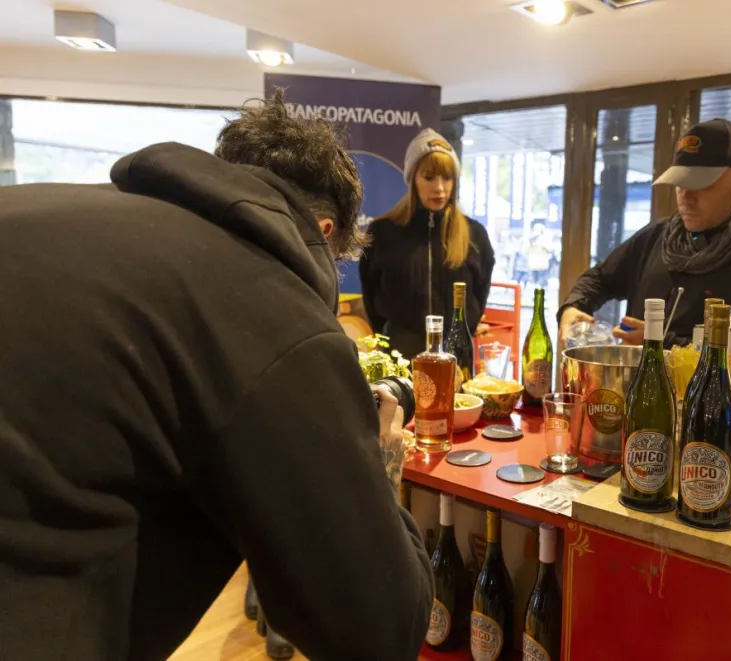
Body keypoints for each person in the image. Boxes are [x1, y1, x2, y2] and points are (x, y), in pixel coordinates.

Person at [0, 91, 432, 661]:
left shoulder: (46, 210)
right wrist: (378, 463)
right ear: (325, 230)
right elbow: (380, 629)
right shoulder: (270, 306)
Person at [559, 118, 731, 347]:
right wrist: (574, 307)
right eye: (680, 184)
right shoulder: (656, 236)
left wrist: (661, 344)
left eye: (701, 185)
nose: (685, 197)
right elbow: (600, 277)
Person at [360, 129, 495, 361]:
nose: (440, 188)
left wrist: (460, 336)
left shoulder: (475, 235)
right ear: (413, 178)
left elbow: (479, 297)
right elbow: (371, 298)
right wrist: (396, 337)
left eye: (447, 177)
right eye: (429, 177)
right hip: (400, 358)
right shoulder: (382, 233)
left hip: (455, 358)